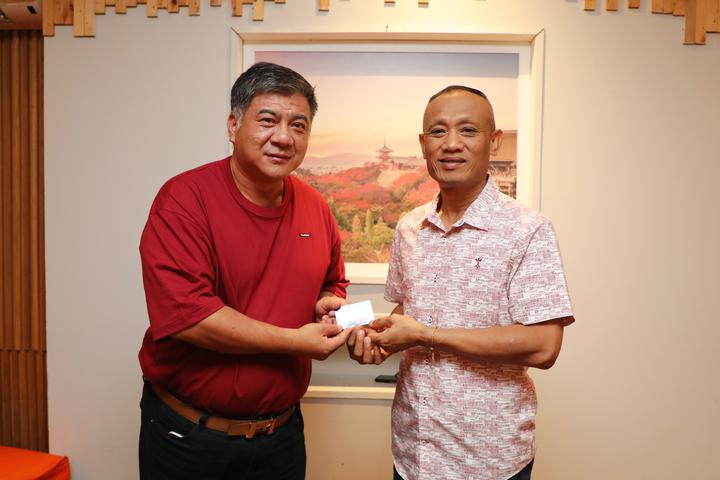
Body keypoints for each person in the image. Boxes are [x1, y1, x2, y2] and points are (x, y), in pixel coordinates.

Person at [137, 62, 351, 480]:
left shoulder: (315, 206)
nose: (284, 137)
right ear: (233, 126)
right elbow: (190, 318)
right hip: (190, 436)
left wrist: (329, 303)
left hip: (281, 435)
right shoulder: (184, 200)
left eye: (298, 125)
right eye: (268, 120)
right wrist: (294, 341)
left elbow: (332, 281)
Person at [348, 85, 575, 480]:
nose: (451, 143)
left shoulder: (528, 229)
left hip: (489, 461)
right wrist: (382, 340)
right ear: (423, 144)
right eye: (438, 131)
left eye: (468, 130)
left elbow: (544, 346)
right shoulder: (410, 227)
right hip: (413, 453)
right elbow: (407, 311)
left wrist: (427, 335)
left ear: (495, 141)